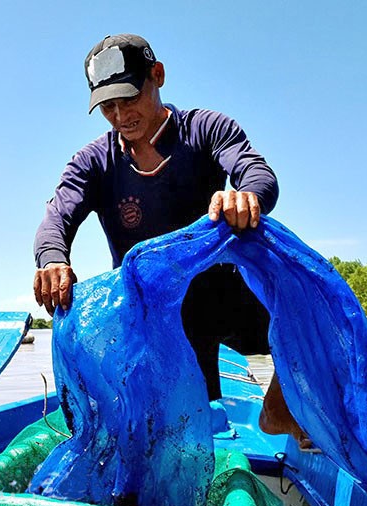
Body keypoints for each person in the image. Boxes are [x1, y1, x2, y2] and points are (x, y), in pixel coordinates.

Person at [33, 34, 309, 447]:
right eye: (108, 106)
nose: (120, 115)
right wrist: (53, 257)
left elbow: (258, 174)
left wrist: (244, 195)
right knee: (185, 433)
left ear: (157, 76)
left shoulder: (206, 129)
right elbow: (57, 217)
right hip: (153, 317)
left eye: (129, 98)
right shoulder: (93, 161)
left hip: (223, 292)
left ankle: (276, 411)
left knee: (307, 309)